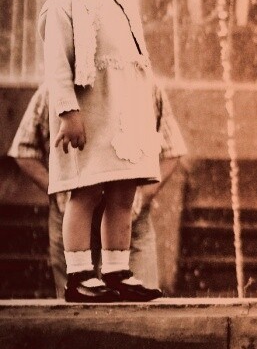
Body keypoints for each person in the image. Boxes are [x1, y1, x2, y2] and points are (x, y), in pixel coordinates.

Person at [39, 0, 163, 303]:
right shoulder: (65, 0)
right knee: (87, 190)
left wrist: (144, 117)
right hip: (90, 114)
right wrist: (68, 112)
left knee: (124, 192)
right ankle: (78, 274)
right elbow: (57, 65)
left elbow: (134, 62)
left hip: (122, 115)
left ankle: (116, 269)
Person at [7, 82, 188, 298]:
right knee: (77, 301)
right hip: (72, 213)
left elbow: (172, 149)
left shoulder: (146, 85)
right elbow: (23, 150)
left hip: (129, 217)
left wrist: (142, 194)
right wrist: (60, 190)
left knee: (139, 300)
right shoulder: (56, 88)